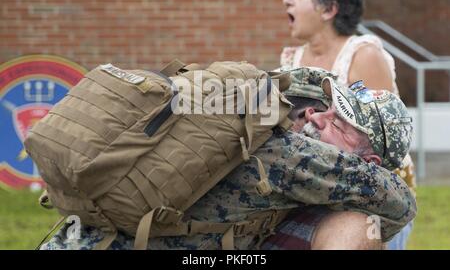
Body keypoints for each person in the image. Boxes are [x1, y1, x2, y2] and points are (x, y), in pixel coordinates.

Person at [40, 68, 416, 250]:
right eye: (327, 109)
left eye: (341, 123)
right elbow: (402, 205)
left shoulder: (240, 119)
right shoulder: (295, 157)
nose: (316, 118)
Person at [269, 0, 416, 250]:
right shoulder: (291, 60)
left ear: (329, 9)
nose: (287, 0)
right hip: (316, 189)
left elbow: (379, 146)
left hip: (371, 198)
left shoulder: (363, 55)